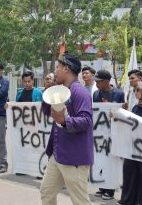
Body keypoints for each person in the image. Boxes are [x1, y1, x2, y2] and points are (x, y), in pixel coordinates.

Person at [40, 54, 93, 205]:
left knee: (80, 201)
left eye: (57, 67)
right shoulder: (60, 90)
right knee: (46, 191)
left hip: (74, 156)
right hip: (57, 154)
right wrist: (47, 91)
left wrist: (64, 121)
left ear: (66, 69)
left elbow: (87, 121)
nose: (55, 72)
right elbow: (46, 111)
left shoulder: (80, 92)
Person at [93, 69, 125, 200]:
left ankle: (110, 189)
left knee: (111, 161)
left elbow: (121, 112)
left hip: (113, 133)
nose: (96, 84)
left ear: (106, 82)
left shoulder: (119, 94)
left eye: (98, 81)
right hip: (99, 133)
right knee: (100, 160)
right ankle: (102, 186)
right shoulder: (95, 94)